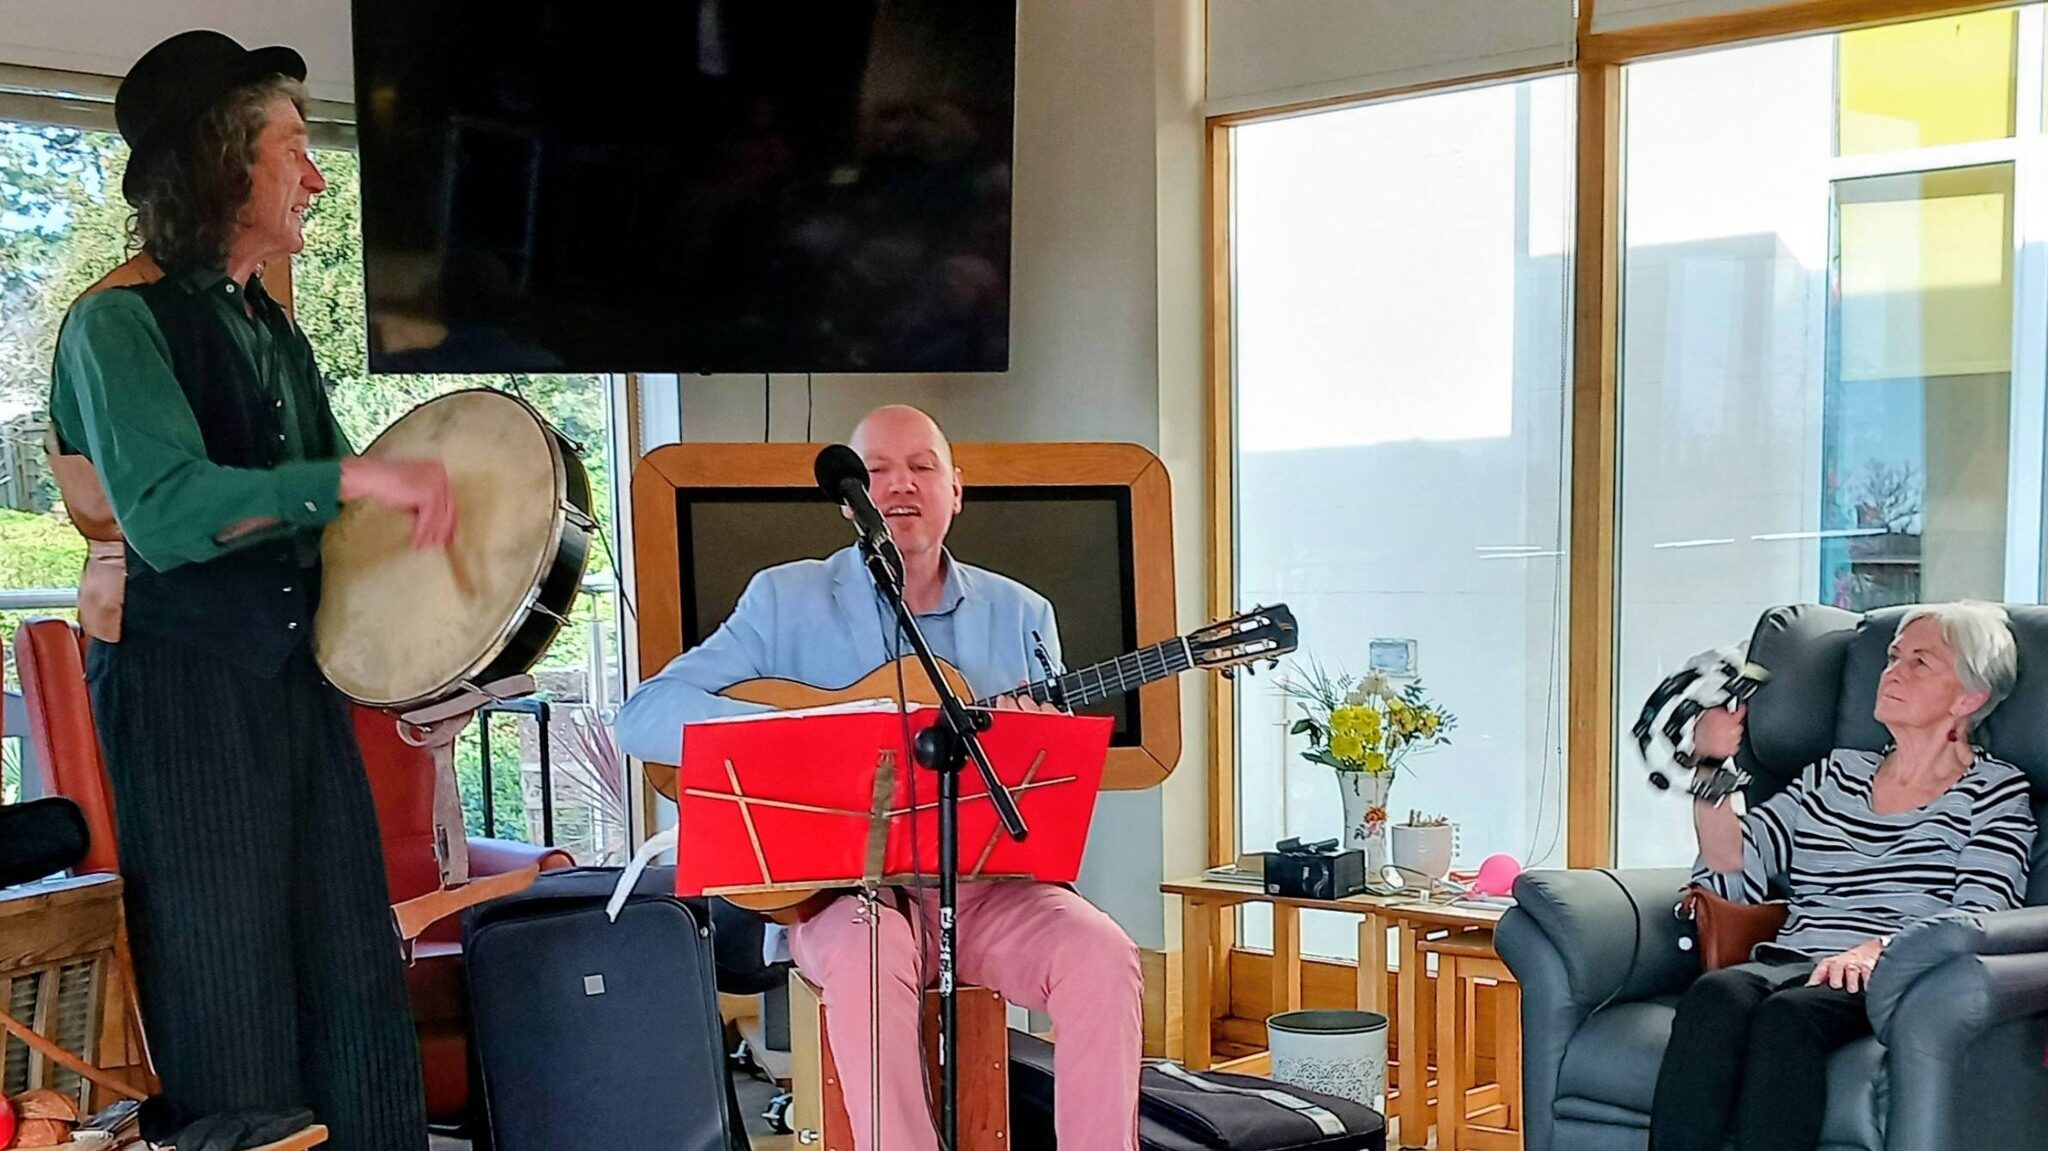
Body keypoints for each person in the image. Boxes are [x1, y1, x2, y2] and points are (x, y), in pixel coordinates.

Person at [46, 30, 456, 1151]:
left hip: (295, 689)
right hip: (185, 698)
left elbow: (345, 537)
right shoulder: (114, 323)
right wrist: (354, 473)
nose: (316, 174)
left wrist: (435, 667)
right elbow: (172, 513)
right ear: (225, 160)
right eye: (291, 147)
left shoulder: (270, 326)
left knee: (353, 988)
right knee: (231, 1006)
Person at [615, 405, 1143, 1151]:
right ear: (849, 500)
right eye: (877, 472)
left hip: (986, 890)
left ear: (956, 490)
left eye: (922, 467)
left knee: (1102, 953)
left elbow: (1039, 795)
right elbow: (641, 715)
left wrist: (1029, 739)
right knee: (871, 951)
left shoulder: (1023, 614)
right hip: (839, 896)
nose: (900, 486)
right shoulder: (782, 598)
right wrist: (806, 735)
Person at [1648, 602, 2038, 1151]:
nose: (1892, 671)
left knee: (1787, 1020)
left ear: (1968, 698)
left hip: (1894, 975)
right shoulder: (1833, 775)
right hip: (1795, 960)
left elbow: (1981, 912)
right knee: (1716, 995)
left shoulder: (1994, 794)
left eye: (1920, 663)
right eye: (1892, 657)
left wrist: (1876, 950)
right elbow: (1732, 870)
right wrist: (1711, 768)